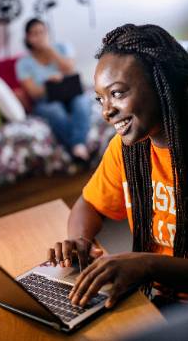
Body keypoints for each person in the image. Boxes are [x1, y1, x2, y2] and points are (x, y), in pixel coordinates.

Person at [47, 24, 188, 311]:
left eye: (118, 93)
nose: (106, 111)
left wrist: (147, 264)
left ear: (163, 83)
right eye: (101, 98)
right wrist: (79, 240)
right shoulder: (127, 150)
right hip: (157, 299)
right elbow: (89, 204)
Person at [15, 18, 91, 161]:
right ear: (28, 38)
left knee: (83, 102)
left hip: (71, 92)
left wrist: (50, 50)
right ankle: (78, 147)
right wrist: (48, 83)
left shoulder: (63, 47)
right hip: (46, 99)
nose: (39, 36)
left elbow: (70, 69)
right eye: (34, 34)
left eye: (42, 32)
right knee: (56, 111)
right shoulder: (22, 63)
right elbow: (33, 92)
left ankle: (76, 147)